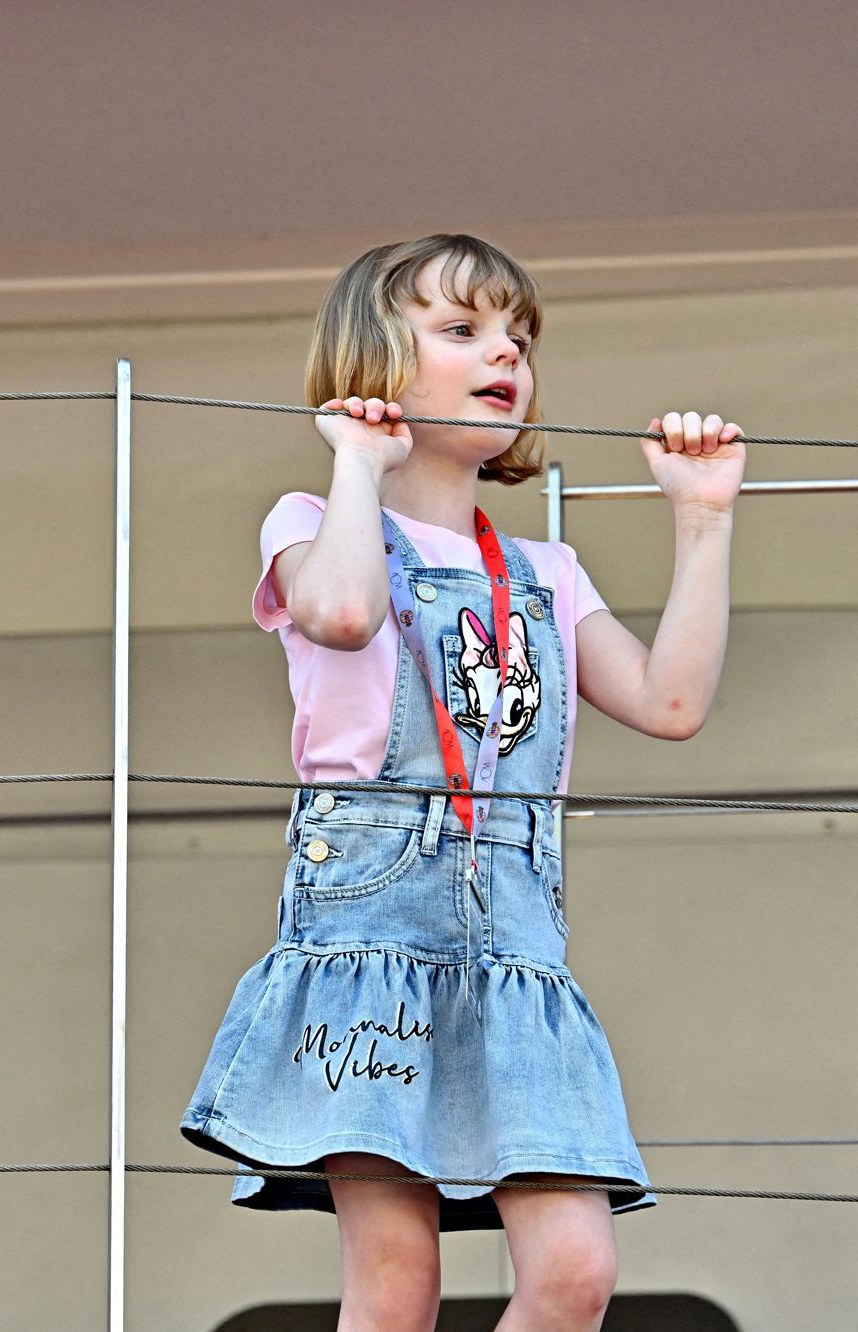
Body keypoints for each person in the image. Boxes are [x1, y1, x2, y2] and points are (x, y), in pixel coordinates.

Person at [178, 233, 743, 1330]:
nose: (505, 355)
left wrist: (702, 519)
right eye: (462, 330)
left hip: (516, 949)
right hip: (369, 938)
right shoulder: (311, 522)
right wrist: (354, 463)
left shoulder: (544, 570)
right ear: (373, 369)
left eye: (518, 338)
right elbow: (341, 613)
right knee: (395, 1283)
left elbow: (668, 705)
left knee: (573, 1272)